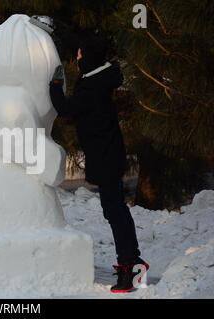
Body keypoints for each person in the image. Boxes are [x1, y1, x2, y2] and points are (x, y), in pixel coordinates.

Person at [49, 34, 149, 293]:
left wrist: (55, 84)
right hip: (107, 154)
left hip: (106, 157)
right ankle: (131, 260)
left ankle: (130, 265)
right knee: (115, 210)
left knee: (115, 212)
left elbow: (66, 108)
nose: (77, 57)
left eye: (80, 54)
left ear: (89, 57)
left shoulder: (92, 86)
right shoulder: (97, 81)